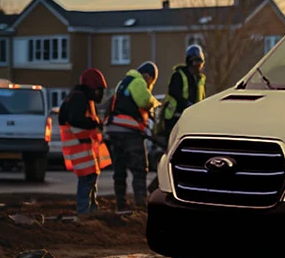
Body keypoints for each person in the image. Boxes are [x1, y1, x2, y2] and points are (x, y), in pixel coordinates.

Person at [106, 61, 161, 213]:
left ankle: (121, 203)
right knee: (139, 168)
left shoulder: (122, 83)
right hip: (129, 131)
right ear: (148, 76)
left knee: (119, 169)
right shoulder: (138, 81)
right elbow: (144, 101)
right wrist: (155, 103)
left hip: (114, 130)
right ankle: (141, 204)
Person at [59, 69, 112, 214]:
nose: (100, 94)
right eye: (99, 90)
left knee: (90, 179)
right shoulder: (79, 98)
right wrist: (94, 123)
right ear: (93, 88)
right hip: (80, 149)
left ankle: (91, 210)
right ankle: (84, 212)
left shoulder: (83, 98)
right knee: (86, 180)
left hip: (85, 149)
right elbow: (76, 119)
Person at [159, 45, 206, 136]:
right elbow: (174, 93)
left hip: (191, 118)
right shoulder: (178, 76)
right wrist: (187, 104)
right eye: (195, 62)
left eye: (200, 62)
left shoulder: (199, 80)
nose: (198, 65)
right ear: (189, 62)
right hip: (175, 117)